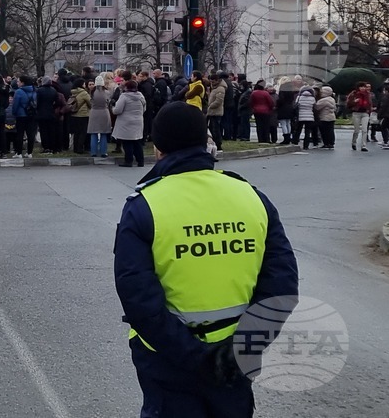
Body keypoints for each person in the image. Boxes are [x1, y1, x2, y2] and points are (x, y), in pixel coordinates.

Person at [114, 102, 299, 418]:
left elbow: (139, 299)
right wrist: (243, 348)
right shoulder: (251, 197)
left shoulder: (144, 206)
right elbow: (281, 287)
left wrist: (195, 357)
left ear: (158, 148)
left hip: (169, 361)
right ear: (205, 141)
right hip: (236, 358)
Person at [112, 79, 147, 167]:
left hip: (126, 122)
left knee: (127, 142)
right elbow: (144, 108)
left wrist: (112, 108)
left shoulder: (124, 96)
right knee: (137, 142)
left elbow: (117, 110)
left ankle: (128, 161)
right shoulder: (140, 96)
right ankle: (140, 161)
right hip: (138, 121)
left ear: (126, 87)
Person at [11, 74, 38, 158]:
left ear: (23, 83)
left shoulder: (19, 92)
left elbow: (15, 105)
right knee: (31, 135)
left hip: (21, 115)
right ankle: (29, 152)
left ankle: (19, 153)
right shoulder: (34, 90)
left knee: (19, 134)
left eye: (18, 81)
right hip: (32, 115)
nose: (17, 83)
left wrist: (14, 113)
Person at [87, 78, 112, 158]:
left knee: (93, 133)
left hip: (94, 113)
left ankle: (93, 152)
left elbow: (90, 102)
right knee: (103, 133)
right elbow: (109, 101)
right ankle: (103, 152)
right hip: (104, 112)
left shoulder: (92, 93)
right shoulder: (107, 92)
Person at [346, 81, 373, 151]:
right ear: (358, 87)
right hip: (356, 113)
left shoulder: (368, 94)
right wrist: (354, 101)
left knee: (364, 130)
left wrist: (369, 110)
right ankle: (354, 142)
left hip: (365, 113)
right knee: (356, 130)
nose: (363, 88)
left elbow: (370, 103)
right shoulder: (353, 94)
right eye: (361, 87)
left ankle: (364, 145)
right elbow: (348, 103)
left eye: (364, 87)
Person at [69, 77, 91, 154]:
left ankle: (75, 148)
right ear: (81, 85)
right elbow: (90, 103)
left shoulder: (73, 92)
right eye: (84, 84)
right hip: (83, 114)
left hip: (74, 114)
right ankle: (80, 148)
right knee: (83, 132)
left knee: (76, 132)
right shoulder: (84, 93)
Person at [294, 85, 317, 151]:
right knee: (307, 132)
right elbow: (314, 107)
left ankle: (295, 142)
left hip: (300, 116)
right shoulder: (312, 98)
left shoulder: (299, 97)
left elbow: (296, 105)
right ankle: (306, 146)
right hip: (310, 116)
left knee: (298, 130)